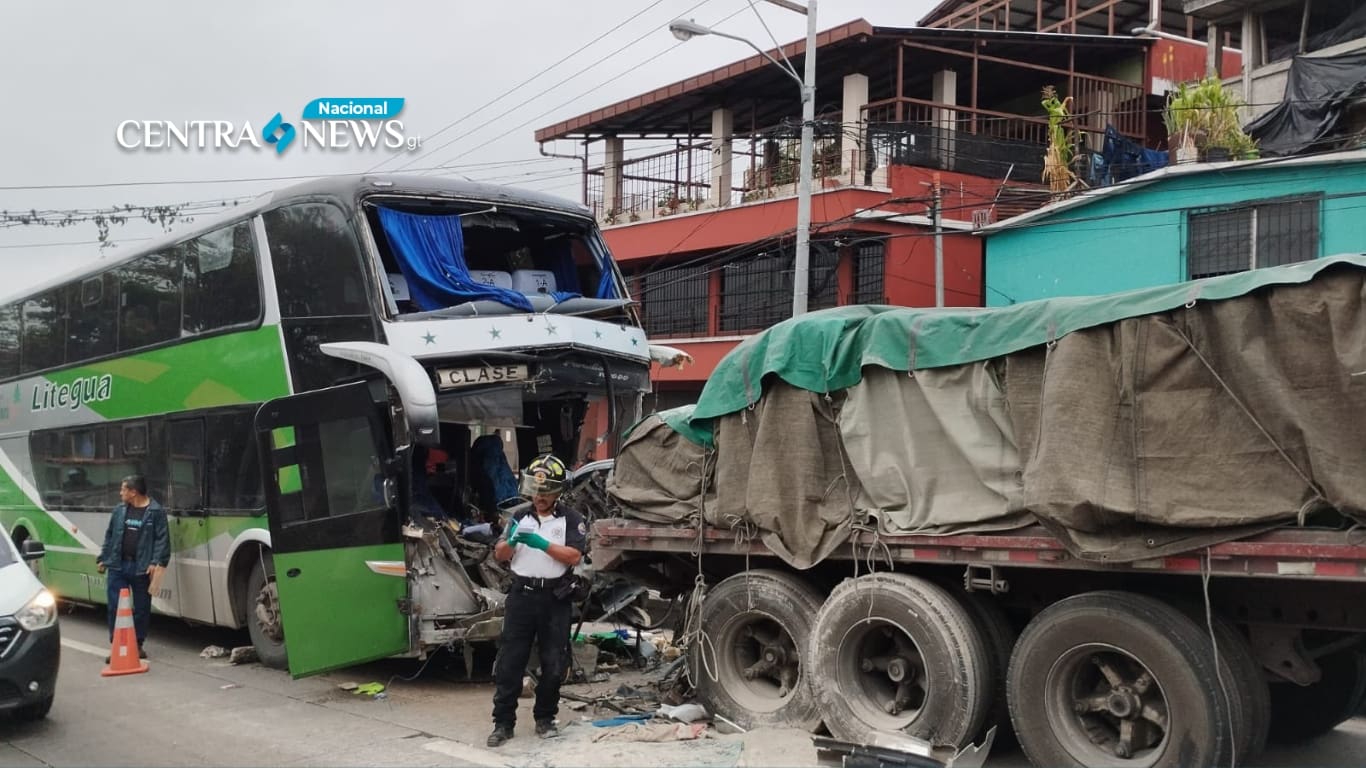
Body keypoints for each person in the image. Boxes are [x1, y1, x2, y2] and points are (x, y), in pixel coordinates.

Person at [486, 454, 587, 747]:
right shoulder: (518, 516)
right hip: (522, 596)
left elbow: (574, 556)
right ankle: (503, 723)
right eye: (535, 490)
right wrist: (514, 540)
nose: (539, 497)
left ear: (558, 492)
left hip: (555, 598)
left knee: (554, 662)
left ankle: (545, 718)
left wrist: (542, 544)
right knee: (509, 663)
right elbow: (500, 554)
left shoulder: (571, 519)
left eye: (546, 492)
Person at [96, 474, 169, 660]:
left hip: (141, 568)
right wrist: (103, 558)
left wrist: (155, 562)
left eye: (123, 489)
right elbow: (110, 535)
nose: (121, 493)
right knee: (115, 607)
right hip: (118, 566)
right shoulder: (119, 510)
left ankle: (136, 644)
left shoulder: (155, 512)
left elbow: (162, 540)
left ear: (133, 492)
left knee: (142, 608)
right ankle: (117, 646)